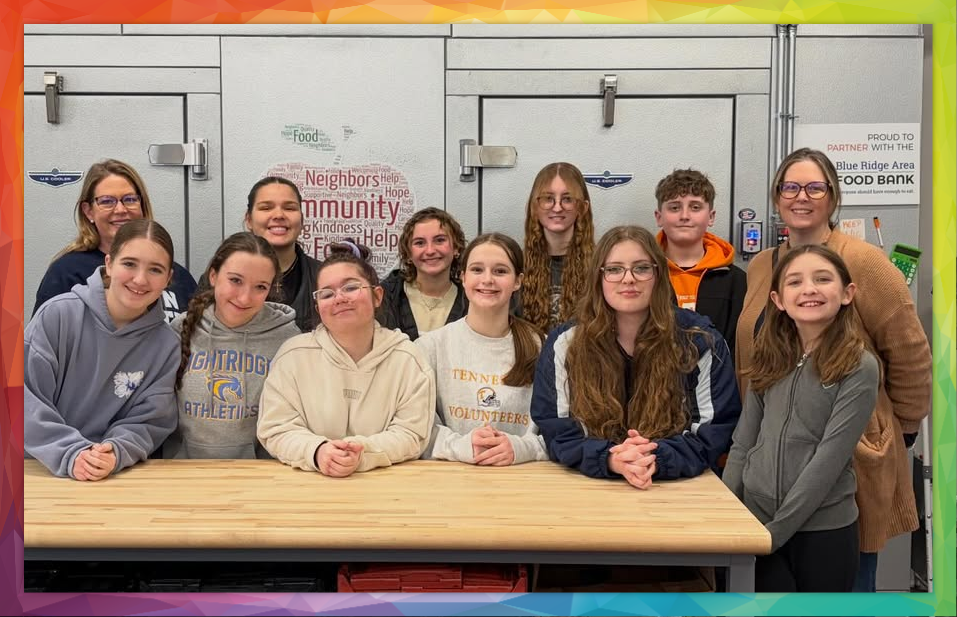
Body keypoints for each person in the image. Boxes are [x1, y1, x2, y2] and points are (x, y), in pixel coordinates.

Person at [734, 148, 932, 592]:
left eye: (814, 187)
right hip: (772, 464)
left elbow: (911, 354)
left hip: (850, 460)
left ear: (833, 196)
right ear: (776, 196)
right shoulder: (763, 265)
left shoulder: (864, 263)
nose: (801, 196)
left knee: (844, 583)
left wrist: (896, 432)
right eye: (790, 186)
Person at [531, 225, 740, 487]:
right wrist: (609, 459)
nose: (628, 279)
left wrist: (655, 458)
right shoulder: (566, 342)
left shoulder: (699, 340)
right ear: (599, 278)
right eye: (614, 269)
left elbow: (713, 430)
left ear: (659, 275)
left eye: (641, 268)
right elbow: (556, 429)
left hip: (677, 488)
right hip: (587, 484)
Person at [724, 245, 879, 592]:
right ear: (779, 300)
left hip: (822, 530)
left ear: (846, 293)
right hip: (755, 520)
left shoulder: (858, 366)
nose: (809, 289)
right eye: (795, 282)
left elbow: (828, 461)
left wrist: (775, 533)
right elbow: (744, 442)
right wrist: (728, 512)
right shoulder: (771, 356)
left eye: (823, 279)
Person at [257, 240, 435, 476]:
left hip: (388, 492)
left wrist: (362, 452)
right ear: (318, 307)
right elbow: (276, 427)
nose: (339, 298)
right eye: (327, 293)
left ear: (377, 296)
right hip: (305, 491)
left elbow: (412, 433)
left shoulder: (409, 360)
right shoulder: (292, 357)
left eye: (351, 288)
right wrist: (318, 452)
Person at [25, 219, 180, 480]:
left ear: (168, 278)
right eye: (129, 264)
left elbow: (150, 420)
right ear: (108, 264)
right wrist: (70, 453)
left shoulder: (166, 345)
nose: (140, 279)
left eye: (155, 270)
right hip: (36, 469)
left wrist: (114, 451)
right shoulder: (57, 316)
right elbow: (21, 398)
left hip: (108, 475)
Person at [165, 232, 300, 459]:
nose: (245, 298)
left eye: (260, 287)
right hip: (183, 474)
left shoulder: (287, 339)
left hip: (258, 475)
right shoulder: (179, 330)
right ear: (214, 275)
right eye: (235, 280)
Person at [416, 233, 547, 465]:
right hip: (451, 484)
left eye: (500, 271)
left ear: (518, 281)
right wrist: (464, 446)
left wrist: (520, 448)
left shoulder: (543, 347)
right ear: (463, 277)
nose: (487, 279)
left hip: (524, 485)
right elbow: (416, 429)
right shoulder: (430, 347)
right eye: (477, 270)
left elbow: (563, 432)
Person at [33, 158, 197, 322]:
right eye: (107, 201)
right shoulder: (66, 273)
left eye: (130, 199)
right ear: (89, 211)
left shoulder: (179, 276)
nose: (120, 209)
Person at [654, 168, 746, 356]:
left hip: (717, 381)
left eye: (695, 207)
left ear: (711, 217)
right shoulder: (645, 275)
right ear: (659, 217)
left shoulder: (736, 281)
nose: (684, 216)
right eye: (674, 207)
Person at [521, 162, 595, 335]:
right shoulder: (515, 265)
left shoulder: (601, 264)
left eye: (567, 199)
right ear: (534, 207)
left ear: (583, 207)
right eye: (548, 198)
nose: (557, 207)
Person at [242, 176, 321, 332]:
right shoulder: (222, 278)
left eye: (289, 208)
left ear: (302, 220)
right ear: (249, 220)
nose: (279, 215)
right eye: (266, 208)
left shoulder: (324, 277)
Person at [378, 207, 467, 341]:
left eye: (440, 240)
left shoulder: (472, 298)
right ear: (408, 254)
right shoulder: (385, 296)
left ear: (456, 248)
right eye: (420, 243)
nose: (430, 250)